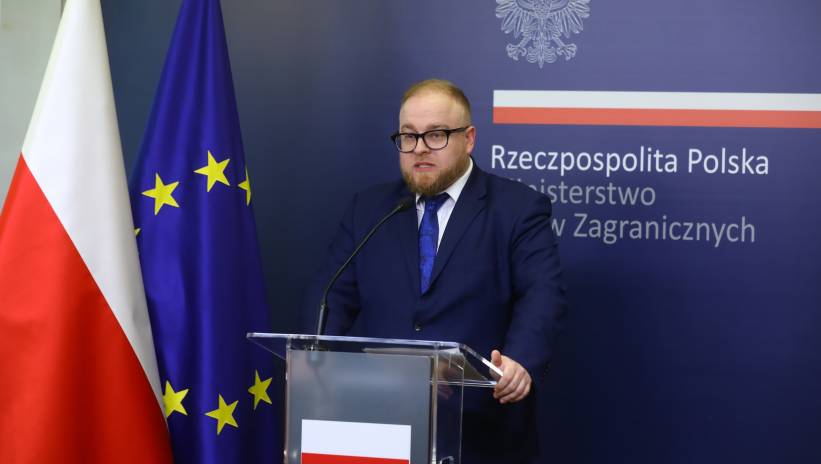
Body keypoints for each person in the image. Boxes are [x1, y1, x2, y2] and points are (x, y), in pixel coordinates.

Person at [308, 79, 567, 463]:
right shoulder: (369, 209)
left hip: (480, 425)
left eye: (436, 135)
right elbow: (331, 297)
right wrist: (317, 364)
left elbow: (542, 294)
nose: (419, 148)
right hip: (379, 422)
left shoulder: (518, 208)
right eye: (408, 136)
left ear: (469, 139)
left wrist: (521, 361)